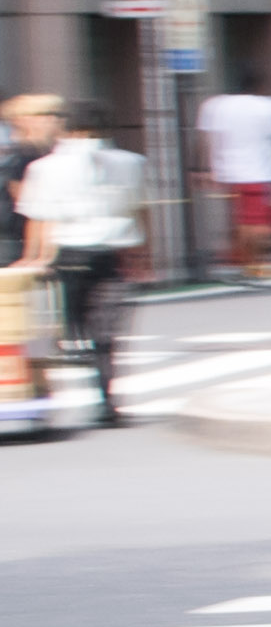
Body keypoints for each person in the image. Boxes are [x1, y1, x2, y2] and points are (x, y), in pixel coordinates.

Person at [16, 100, 145, 426]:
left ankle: (78, 375)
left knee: (76, 332)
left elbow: (40, 218)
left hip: (69, 258)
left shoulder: (45, 167)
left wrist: (36, 258)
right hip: (112, 257)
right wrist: (145, 258)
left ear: (67, 128)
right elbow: (141, 211)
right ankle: (106, 399)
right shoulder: (132, 163)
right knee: (106, 334)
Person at [195, 68, 271, 278]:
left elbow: (203, 141)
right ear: (260, 85)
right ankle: (257, 262)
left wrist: (201, 169)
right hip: (261, 171)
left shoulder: (216, 105)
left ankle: (246, 263)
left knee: (241, 220)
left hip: (227, 172)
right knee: (259, 222)